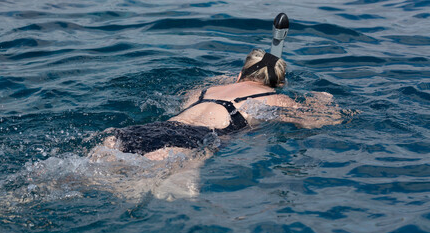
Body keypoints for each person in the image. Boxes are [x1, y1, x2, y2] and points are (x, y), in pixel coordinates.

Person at [95, 48, 342, 161]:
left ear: (238, 75)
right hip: (192, 141)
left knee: (89, 170)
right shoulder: (275, 99)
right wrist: (322, 101)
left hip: (149, 129)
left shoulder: (204, 90)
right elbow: (321, 122)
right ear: (278, 85)